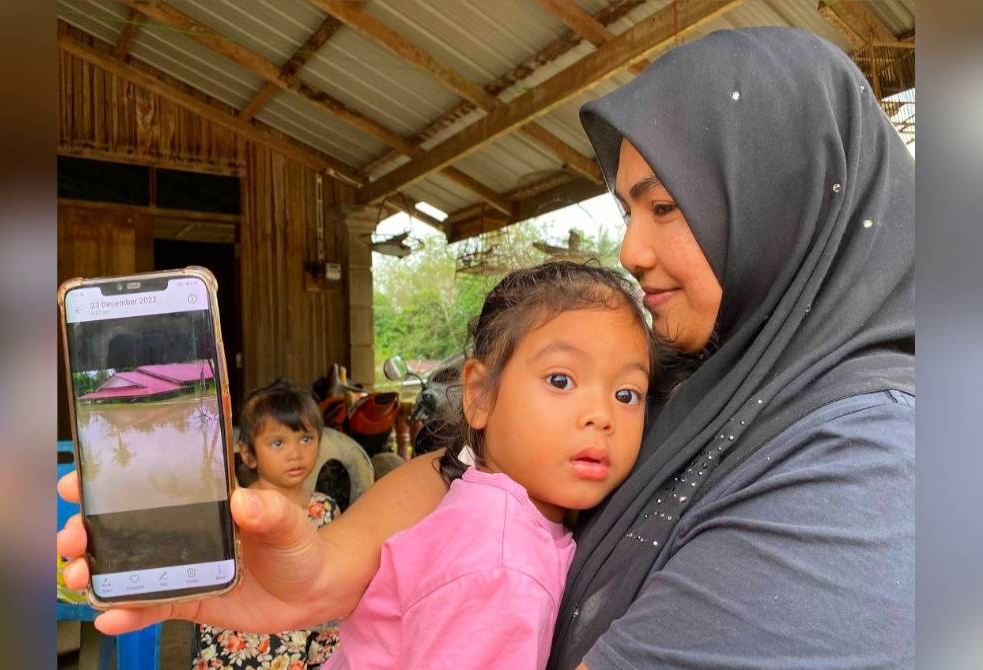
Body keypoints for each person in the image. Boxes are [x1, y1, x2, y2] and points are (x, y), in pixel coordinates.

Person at [58, 26, 914, 669]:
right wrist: (325, 570)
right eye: (627, 212)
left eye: (666, 206)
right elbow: (487, 463)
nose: (631, 252)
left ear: (789, 198)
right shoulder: (718, 376)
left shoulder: (868, 465)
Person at [320, 261, 651, 668]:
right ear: (479, 395)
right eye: (561, 380)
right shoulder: (501, 563)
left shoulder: (494, 515)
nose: (602, 414)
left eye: (627, 394)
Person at [192, 379, 341, 669]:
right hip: (240, 638)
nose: (295, 453)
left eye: (306, 439)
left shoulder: (324, 509)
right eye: (278, 443)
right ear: (248, 454)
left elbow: (334, 583)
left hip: (306, 638)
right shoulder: (240, 509)